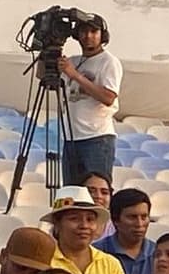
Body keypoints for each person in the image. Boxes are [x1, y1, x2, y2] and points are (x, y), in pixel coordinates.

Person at [48, 15, 120, 190]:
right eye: (83, 31)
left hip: (96, 138)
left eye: (93, 31)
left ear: (103, 35)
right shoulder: (72, 61)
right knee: (71, 192)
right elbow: (45, 79)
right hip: (71, 138)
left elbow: (108, 97)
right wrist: (47, 52)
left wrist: (75, 75)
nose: (88, 36)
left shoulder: (109, 62)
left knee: (96, 193)